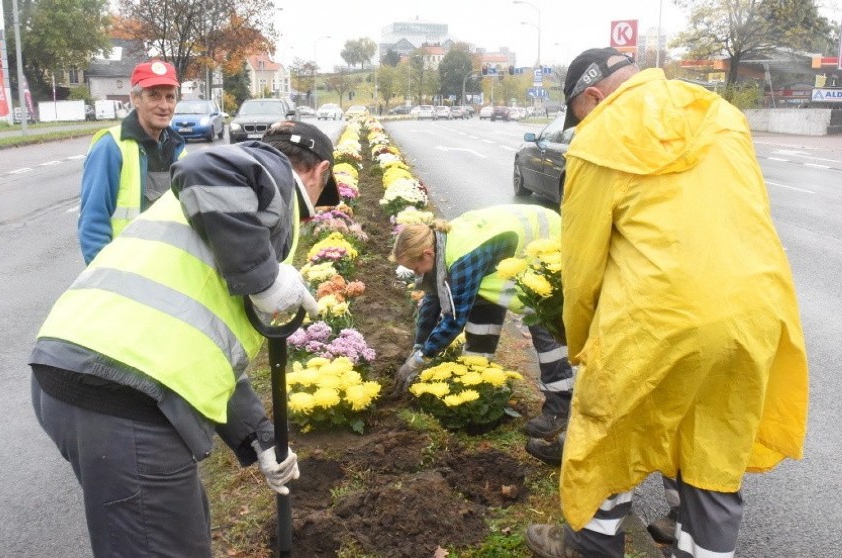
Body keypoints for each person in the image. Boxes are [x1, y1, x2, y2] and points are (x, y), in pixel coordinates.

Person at [525, 47, 808, 558]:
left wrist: (582, 341)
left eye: (579, 114)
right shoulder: (719, 113)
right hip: (756, 311)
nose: (579, 125)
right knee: (713, 449)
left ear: (592, 97)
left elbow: (583, 263)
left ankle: (586, 549)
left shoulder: (598, 138)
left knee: (605, 442)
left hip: (658, 318)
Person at [29, 120, 340, 557]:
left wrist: (258, 436)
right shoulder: (270, 170)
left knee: (171, 534)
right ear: (319, 172)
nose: (304, 220)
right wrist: (266, 277)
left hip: (95, 375)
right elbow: (205, 167)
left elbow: (205, 342)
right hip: (124, 392)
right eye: (312, 209)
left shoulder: (229, 217)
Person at [390, 205, 574, 451]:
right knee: (480, 303)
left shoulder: (464, 256)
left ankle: (558, 409)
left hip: (544, 245)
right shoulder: (441, 246)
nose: (416, 275)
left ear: (427, 255)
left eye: (415, 269)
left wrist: (419, 360)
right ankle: (477, 383)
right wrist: (418, 345)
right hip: (505, 257)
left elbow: (454, 321)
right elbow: (433, 300)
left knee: (542, 323)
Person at [78, 59, 187, 264]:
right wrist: (105, 280)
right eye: (154, 96)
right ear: (135, 98)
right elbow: (93, 225)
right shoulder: (110, 147)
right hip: (124, 273)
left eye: (169, 97)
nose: (164, 106)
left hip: (167, 269)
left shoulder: (179, 149)